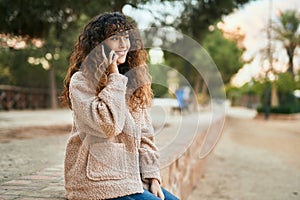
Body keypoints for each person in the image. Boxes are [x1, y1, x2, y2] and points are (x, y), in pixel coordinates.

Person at [61, 12, 179, 200]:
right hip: (96, 181)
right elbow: (108, 126)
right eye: (115, 38)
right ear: (98, 44)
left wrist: (153, 177)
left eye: (126, 38)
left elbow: (145, 136)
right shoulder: (81, 81)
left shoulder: (133, 83)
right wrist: (113, 75)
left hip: (131, 179)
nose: (124, 45)